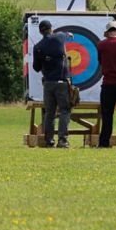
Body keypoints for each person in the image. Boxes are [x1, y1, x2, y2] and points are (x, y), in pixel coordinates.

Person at [33, 20, 72, 148]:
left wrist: (45, 59)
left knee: (49, 112)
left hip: (48, 83)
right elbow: (67, 34)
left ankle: (49, 141)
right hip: (62, 82)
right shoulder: (59, 37)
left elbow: (36, 68)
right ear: (51, 29)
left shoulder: (37, 47)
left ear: (40, 32)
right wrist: (68, 34)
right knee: (64, 110)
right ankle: (62, 141)